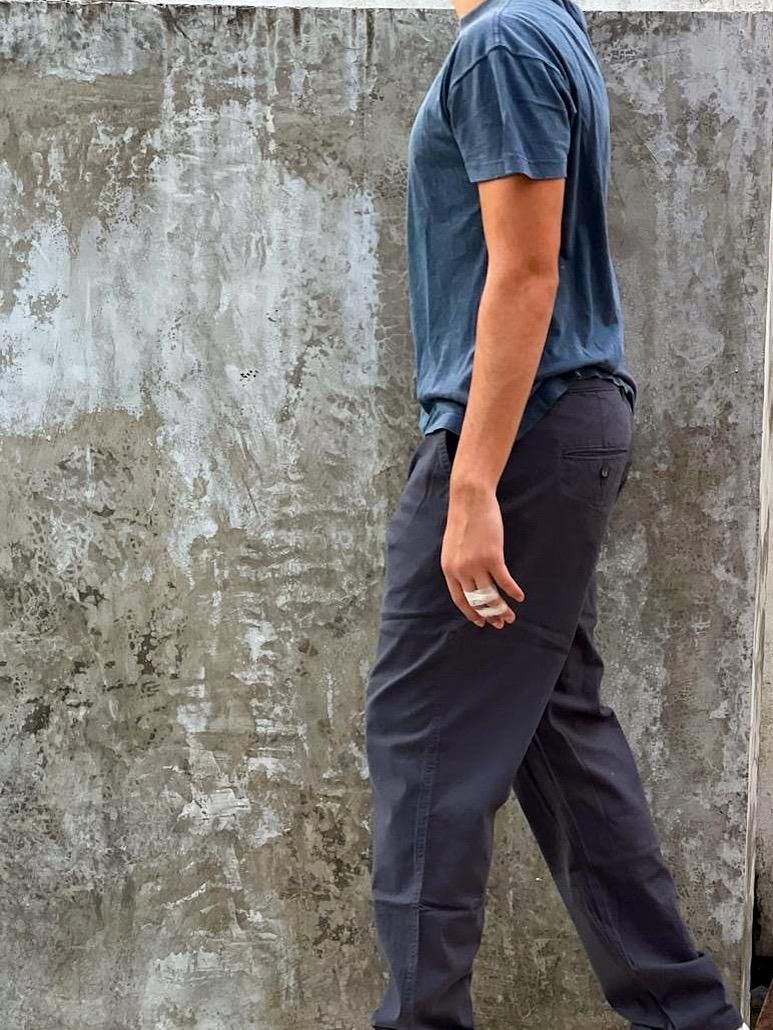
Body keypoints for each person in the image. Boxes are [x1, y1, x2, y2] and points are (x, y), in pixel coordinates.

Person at [363, 0, 750, 1028]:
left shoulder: (501, 41)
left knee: (422, 742)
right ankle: (687, 1015)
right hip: (548, 427)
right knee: (556, 737)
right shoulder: (546, 33)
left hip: (519, 433)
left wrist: (471, 481)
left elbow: (524, 272)